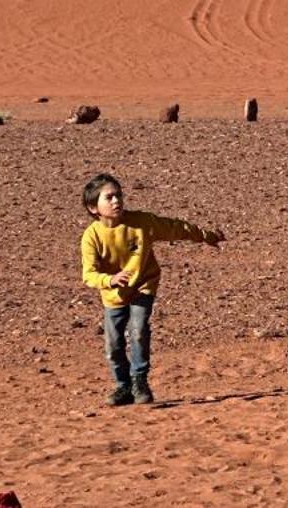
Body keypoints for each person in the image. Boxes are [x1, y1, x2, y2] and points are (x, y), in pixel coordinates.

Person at [78, 172, 225, 405]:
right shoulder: (91, 237)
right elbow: (88, 275)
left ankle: (139, 380)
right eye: (109, 197)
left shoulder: (142, 223)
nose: (117, 201)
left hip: (143, 284)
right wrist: (110, 280)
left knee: (138, 329)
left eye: (119, 195)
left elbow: (176, 228)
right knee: (114, 344)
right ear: (93, 207)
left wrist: (205, 236)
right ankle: (123, 386)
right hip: (113, 295)